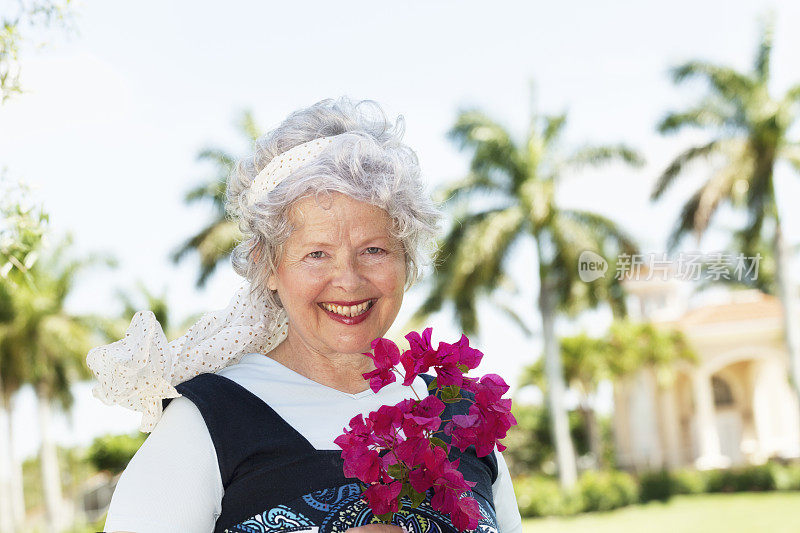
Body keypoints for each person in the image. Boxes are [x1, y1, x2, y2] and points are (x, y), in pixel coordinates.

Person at [87, 97, 523, 533]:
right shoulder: (208, 421)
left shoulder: (462, 417)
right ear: (269, 266)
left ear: (406, 261)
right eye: (316, 254)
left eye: (374, 250)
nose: (348, 281)